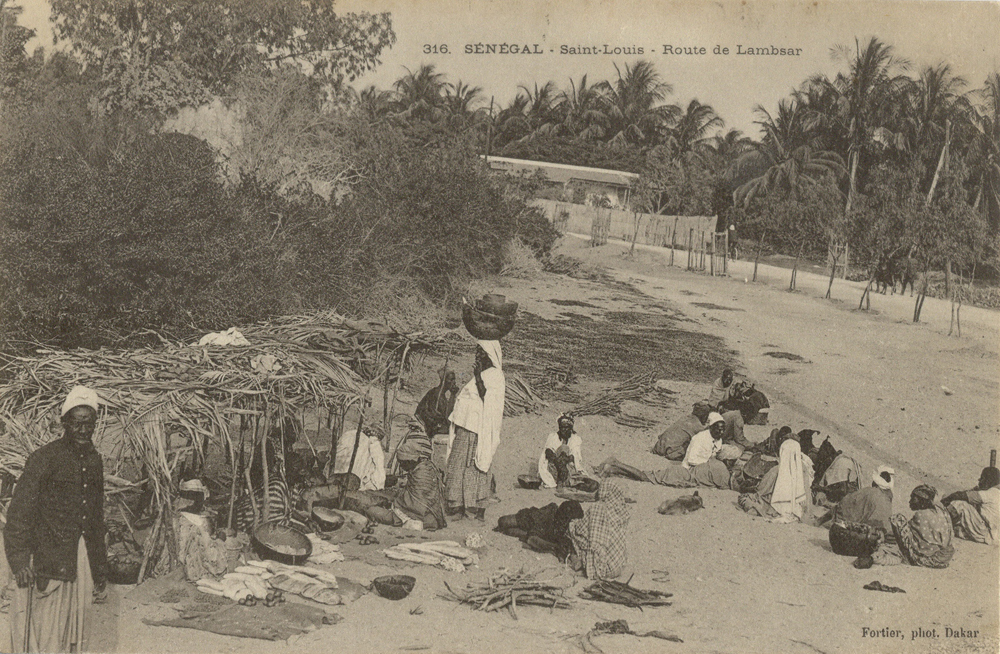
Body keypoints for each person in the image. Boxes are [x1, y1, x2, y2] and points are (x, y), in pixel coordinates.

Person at [5, 386, 108, 653]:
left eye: (90, 423)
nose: (85, 429)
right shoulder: (44, 458)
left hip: (80, 559)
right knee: (46, 632)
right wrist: (19, 561)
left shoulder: (95, 461)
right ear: (65, 424)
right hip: (47, 558)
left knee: (74, 631)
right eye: (78, 423)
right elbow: (19, 513)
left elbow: (96, 518)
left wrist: (99, 568)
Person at [446, 341, 506, 521]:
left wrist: (478, 376)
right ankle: (457, 505)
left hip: (479, 430)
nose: (477, 355)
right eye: (477, 351)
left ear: (490, 354)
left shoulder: (496, 375)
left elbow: (487, 399)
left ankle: (476, 508)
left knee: (476, 467)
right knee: (457, 465)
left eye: (481, 352)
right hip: (465, 426)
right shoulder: (481, 374)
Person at [862, 485, 955, 569]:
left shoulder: (921, 515)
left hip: (931, 559)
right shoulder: (939, 509)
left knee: (897, 519)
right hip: (945, 557)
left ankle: (906, 557)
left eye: (913, 498)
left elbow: (906, 534)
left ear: (922, 500)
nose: (910, 501)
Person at [739, 433, 813, 522]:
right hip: (799, 508)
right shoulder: (803, 468)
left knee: (745, 498)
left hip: (777, 506)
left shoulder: (777, 470)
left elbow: (761, 490)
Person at [567, 481, 630, 580]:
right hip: (618, 565)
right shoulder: (621, 509)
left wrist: (573, 525)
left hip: (605, 569)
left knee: (574, 531)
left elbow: (592, 539)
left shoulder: (598, 508)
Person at [828, 466, 895, 557]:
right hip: (880, 536)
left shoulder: (867, 492)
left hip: (861, 535)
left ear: (874, 482)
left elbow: (843, 505)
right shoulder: (888, 496)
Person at [495, 500, 584, 561]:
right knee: (503, 522)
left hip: (536, 530)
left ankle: (519, 533)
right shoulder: (548, 517)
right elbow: (532, 539)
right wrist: (554, 547)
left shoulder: (569, 529)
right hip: (530, 519)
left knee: (513, 532)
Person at [594, 455, 731, 490]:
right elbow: (727, 486)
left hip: (680, 472)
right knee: (644, 477)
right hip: (679, 475)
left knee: (644, 477)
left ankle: (613, 469)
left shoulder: (714, 463)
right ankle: (616, 462)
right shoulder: (721, 471)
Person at [941, 466, 999, 546]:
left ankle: (938, 521)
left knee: (961, 505)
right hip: (993, 537)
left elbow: (962, 495)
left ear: (988, 481)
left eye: (982, 478)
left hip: (986, 531)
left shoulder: (991, 493)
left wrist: (944, 500)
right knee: (957, 530)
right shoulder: (996, 492)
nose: (979, 480)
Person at [538, 414, 588, 488]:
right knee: (563, 448)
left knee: (565, 449)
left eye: (566, 427)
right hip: (554, 465)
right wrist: (559, 464)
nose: (563, 430)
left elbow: (574, 456)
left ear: (571, 428)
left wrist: (564, 460)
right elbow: (548, 451)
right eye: (561, 427)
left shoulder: (575, 439)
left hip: (568, 465)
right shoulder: (553, 436)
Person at [415, 370, 459, 437]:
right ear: (443, 381)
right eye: (451, 380)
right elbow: (447, 417)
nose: (454, 382)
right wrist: (452, 395)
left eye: (454, 379)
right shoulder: (437, 394)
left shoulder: (440, 393)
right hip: (431, 427)